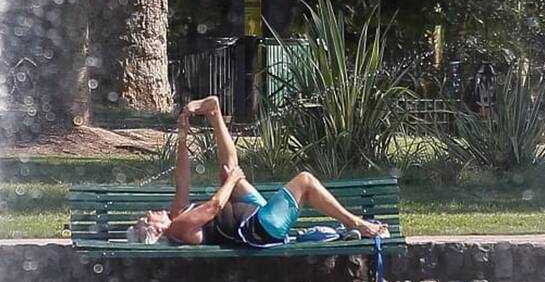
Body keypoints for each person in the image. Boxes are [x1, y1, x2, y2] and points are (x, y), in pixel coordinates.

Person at [129, 95, 388, 247]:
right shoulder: (178, 229)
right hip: (261, 228)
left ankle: (215, 113)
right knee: (305, 180)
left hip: (254, 212)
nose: (150, 212)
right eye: (146, 219)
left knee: (228, 169)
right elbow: (215, 206)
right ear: (155, 232)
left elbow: (182, 176)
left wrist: (183, 137)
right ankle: (357, 223)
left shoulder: (177, 213)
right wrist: (232, 181)